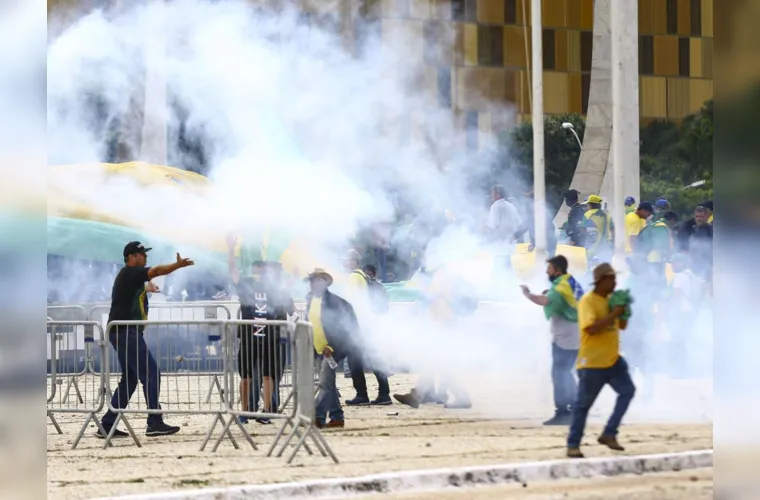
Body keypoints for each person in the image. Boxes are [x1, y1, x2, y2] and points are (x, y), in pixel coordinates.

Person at [98, 242, 194, 439]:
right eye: (141, 254)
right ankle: (154, 421)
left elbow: (132, 294)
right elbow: (157, 270)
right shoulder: (130, 273)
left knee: (130, 379)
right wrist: (177, 266)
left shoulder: (130, 277)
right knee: (151, 373)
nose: (145, 257)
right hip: (126, 332)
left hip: (122, 332)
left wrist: (146, 290)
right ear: (131, 257)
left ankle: (107, 424)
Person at [567, 263, 636, 458]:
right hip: (593, 363)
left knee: (628, 391)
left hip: (613, 359)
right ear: (600, 281)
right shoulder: (588, 301)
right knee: (583, 406)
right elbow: (590, 328)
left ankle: (609, 433)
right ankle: (573, 444)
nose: (615, 283)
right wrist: (614, 313)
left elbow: (621, 326)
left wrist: (624, 312)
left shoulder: (610, 300)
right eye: (611, 279)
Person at [520, 255, 583, 425]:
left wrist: (527, 294)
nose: (547, 272)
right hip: (573, 334)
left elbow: (545, 300)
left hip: (566, 337)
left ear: (557, 270)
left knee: (559, 373)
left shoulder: (560, 287)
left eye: (549, 269)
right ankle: (577, 406)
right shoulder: (568, 282)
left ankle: (563, 412)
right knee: (566, 372)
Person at [305, 269, 360, 429]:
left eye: (319, 280)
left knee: (324, 383)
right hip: (317, 348)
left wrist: (331, 346)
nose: (315, 283)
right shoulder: (310, 299)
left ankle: (318, 416)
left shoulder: (336, 302)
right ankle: (337, 416)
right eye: (313, 280)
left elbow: (342, 328)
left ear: (326, 283)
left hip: (332, 349)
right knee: (328, 384)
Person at [343, 250, 392, 406]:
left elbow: (353, 302)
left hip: (359, 324)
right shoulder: (363, 276)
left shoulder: (353, 277)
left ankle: (362, 395)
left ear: (354, 262)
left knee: (355, 361)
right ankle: (384, 393)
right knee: (373, 358)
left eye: (347, 260)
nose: (345, 263)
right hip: (367, 323)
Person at [582, 195, 613, 260]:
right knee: (606, 267)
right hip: (606, 247)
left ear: (590, 205)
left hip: (592, 248)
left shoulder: (587, 215)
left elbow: (583, 230)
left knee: (591, 268)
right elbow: (613, 230)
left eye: (587, 205)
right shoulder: (607, 215)